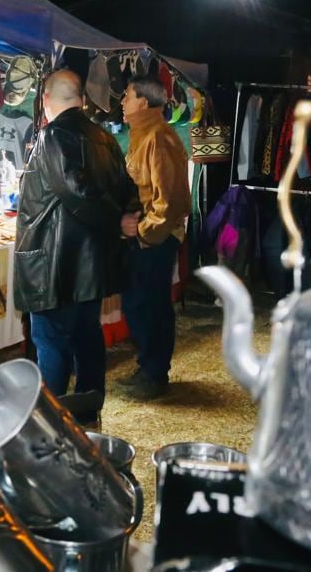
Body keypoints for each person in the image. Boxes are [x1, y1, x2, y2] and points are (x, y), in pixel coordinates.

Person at [14, 70, 139, 419]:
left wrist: (117, 220)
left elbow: (77, 190)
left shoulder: (53, 135)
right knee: (87, 337)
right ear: (81, 98)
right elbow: (127, 190)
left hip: (56, 265)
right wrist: (122, 218)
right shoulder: (104, 137)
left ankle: (52, 422)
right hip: (90, 265)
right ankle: (87, 412)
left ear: (46, 100)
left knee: (52, 343)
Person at [117, 78, 191, 399]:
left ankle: (154, 374)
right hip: (149, 235)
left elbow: (171, 200)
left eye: (127, 96)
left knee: (149, 305)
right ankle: (150, 367)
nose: (122, 102)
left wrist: (144, 231)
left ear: (143, 103)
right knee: (141, 303)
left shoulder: (158, 137)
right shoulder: (143, 135)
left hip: (156, 238)